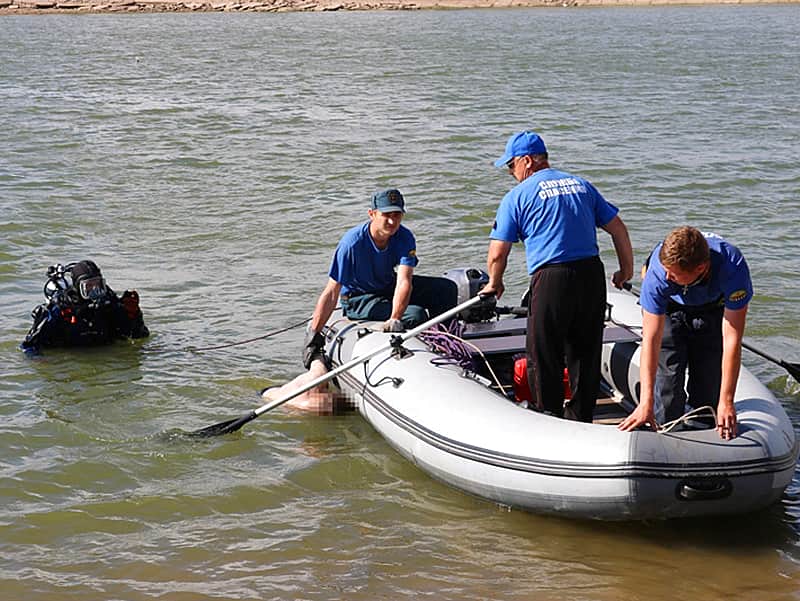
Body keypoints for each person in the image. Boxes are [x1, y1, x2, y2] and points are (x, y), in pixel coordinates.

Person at [481, 131, 634, 422]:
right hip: (591, 274)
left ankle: (547, 415)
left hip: (552, 278)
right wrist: (625, 270)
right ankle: (581, 416)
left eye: (511, 166)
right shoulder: (582, 186)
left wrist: (494, 282)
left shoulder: (517, 196)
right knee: (586, 351)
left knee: (543, 351)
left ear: (526, 161)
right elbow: (618, 229)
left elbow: (497, 253)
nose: (511, 174)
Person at [618, 226, 752, 440]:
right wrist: (645, 404)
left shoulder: (732, 267)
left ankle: (704, 431)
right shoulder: (659, 274)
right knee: (668, 382)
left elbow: (732, 340)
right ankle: (664, 431)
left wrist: (726, 402)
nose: (667, 276)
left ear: (700, 268)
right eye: (666, 270)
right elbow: (651, 340)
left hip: (712, 307)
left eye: (674, 274)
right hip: (670, 308)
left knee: (708, 382)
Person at [302, 188, 458, 369]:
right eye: (386, 215)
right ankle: (414, 352)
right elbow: (332, 290)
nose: (392, 221)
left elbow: (404, 280)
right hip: (359, 298)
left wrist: (395, 318)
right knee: (415, 315)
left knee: (447, 289)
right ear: (372, 214)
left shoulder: (404, 237)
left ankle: (447, 343)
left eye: (397, 215)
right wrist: (314, 333)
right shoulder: (351, 244)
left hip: (388, 286)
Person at [21, 260, 149, 355]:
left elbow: (139, 336)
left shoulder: (109, 303)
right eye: (88, 287)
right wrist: (45, 364)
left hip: (104, 354)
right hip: (70, 355)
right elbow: (28, 346)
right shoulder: (61, 308)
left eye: (97, 285)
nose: (94, 291)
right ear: (77, 287)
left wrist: (134, 313)